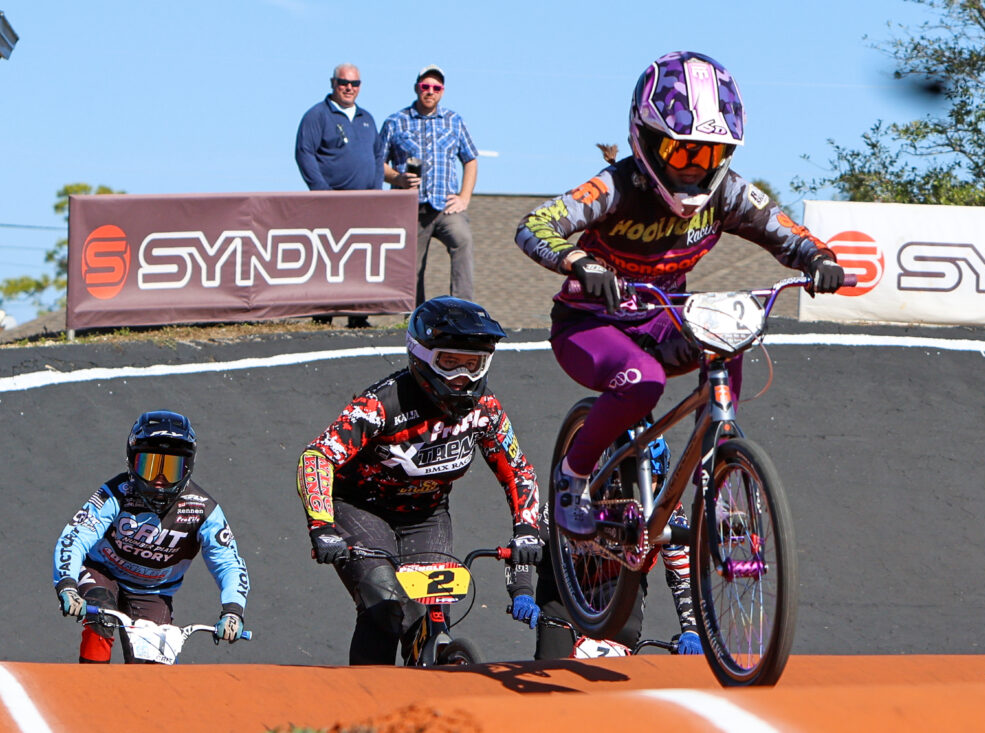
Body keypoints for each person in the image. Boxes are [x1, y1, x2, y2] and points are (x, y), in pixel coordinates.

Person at [514, 51, 846, 538]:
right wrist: (580, 262)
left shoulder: (728, 194)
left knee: (728, 336)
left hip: (662, 319)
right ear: (647, 139)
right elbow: (534, 225)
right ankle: (573, 474)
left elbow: (788, 232)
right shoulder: (617, 185)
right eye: (681, 151)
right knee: (643, 381)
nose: (693, 169)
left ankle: (714, 479)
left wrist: (820, 259)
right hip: (589, 325)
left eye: (708, 155)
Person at [295, 296, 542, 665]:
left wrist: (526, 530)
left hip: (427, 515)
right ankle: (368, 695)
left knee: (429, 615)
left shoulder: (486, 410)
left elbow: (518, 469)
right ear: (421, 357)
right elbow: (317, 457)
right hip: (360, 508)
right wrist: (322, 525)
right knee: (385, 605)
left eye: (473, 364)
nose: (462, 377)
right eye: (449, 363)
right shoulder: (379, 405)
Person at [52, 410, 250, 663]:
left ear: (188, 468)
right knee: (101, 617)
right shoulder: (114, 493)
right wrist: (68, 585)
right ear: (131, 462)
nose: (159, 481)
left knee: (152, 668)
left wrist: (233, 611)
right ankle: (89, 684)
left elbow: (229, 563)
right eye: (149, 467)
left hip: (153, 592)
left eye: (171, 469)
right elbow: (75, 537)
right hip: (102, 572)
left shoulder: (204, 509)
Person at [532, 502, 701, 659]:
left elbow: (683, 574)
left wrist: (692, 630)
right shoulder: (580, 492)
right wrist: (522, 591)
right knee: (553, 658)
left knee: (625, 633)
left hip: (621, 583)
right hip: (563, 584)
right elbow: (527, 539)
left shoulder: (669, 508)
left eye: (654, 481)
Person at [381, 65, 479, 306]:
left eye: (436, 88)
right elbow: (377, 164)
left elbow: (470, 160)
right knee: (411, 266)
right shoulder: (395, 122)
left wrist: (464, 197)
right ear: (417, 88)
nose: (430, 92)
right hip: (411, 208)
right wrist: (398, 178)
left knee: (463, 240)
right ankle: (414, 315)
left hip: (446, 206)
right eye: (425, 86)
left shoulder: (454, 121)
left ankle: (462, 308)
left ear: (442, 91)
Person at [295, 62, 383, 327]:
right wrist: (323, 193)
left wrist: (376, 192)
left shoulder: (367, 118)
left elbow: (378, 155)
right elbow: (304, 153)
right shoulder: (317, 115)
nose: (349, 88)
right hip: (330, 205)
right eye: (344, 82)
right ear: (333, 83)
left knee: (359, 259)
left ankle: (358, 316)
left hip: (364, 204)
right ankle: (323, 316)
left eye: (354, 83)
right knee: (328, 259)